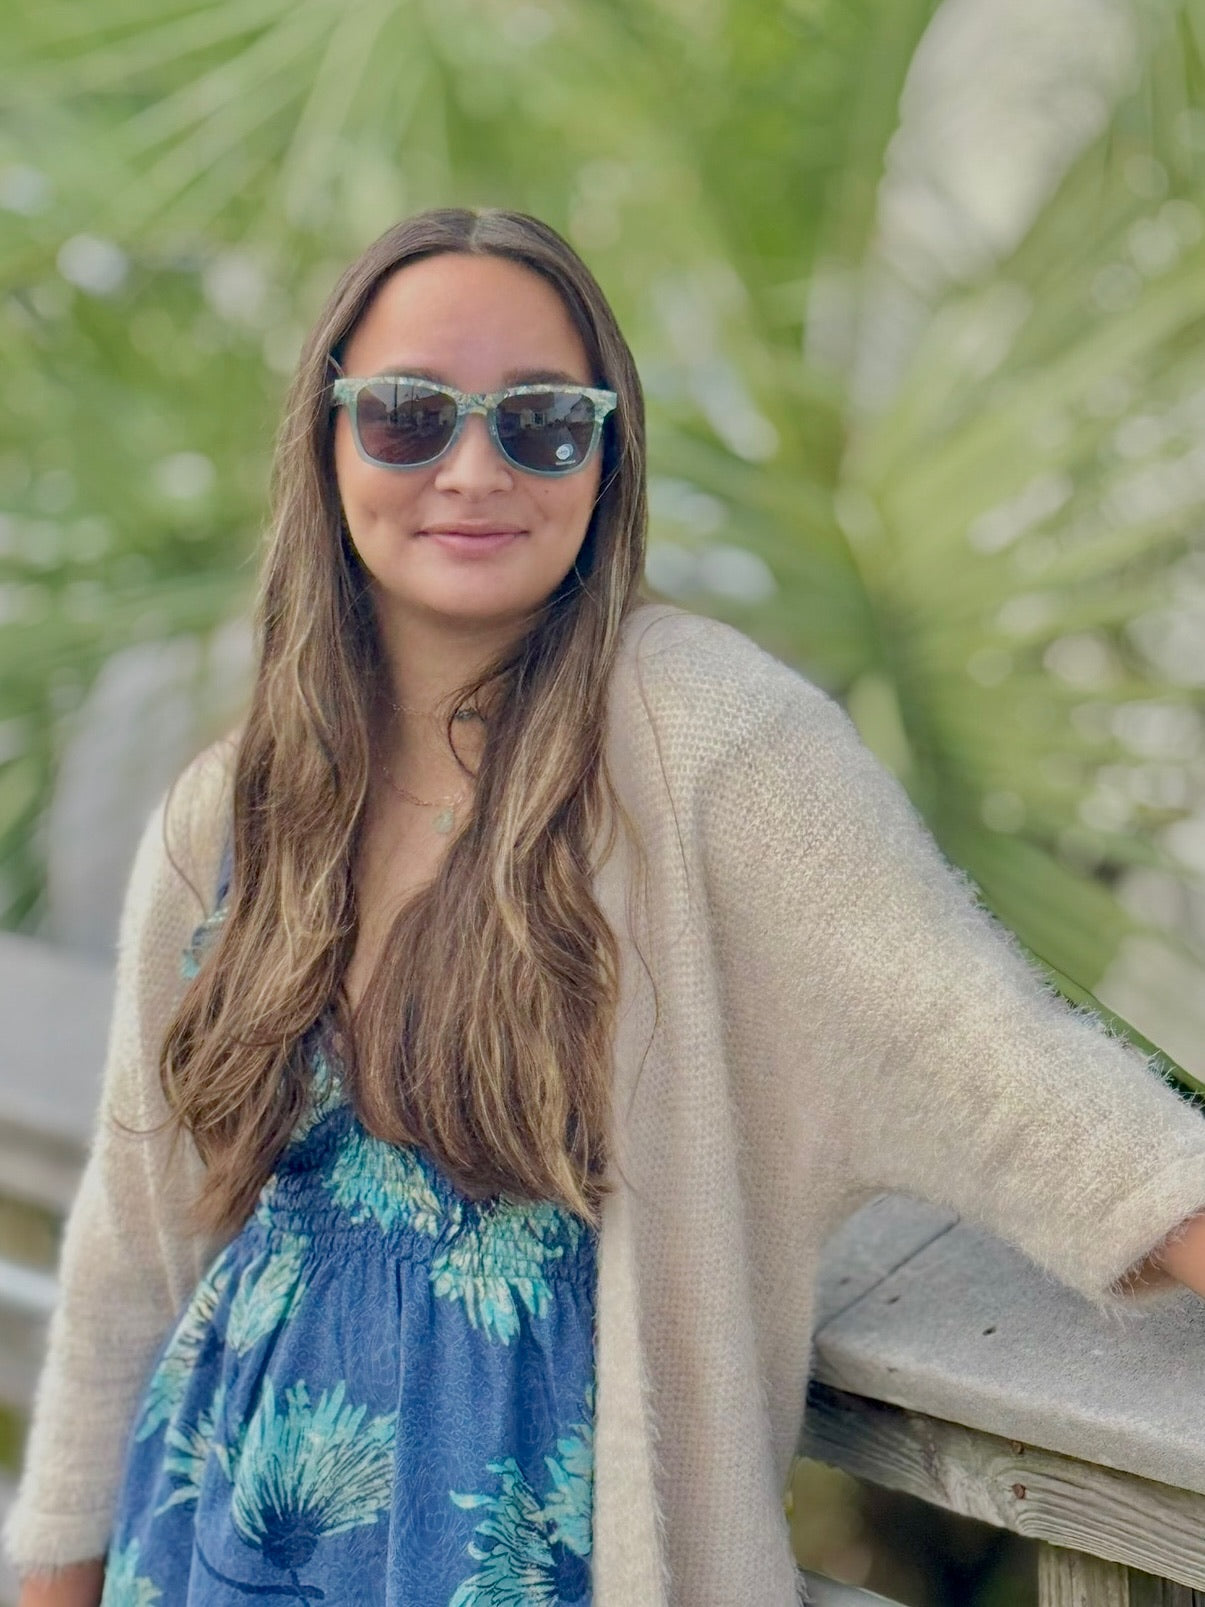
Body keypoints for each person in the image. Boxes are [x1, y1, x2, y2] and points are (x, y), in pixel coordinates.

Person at [7, 205, 1205, 1607]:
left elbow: (993, 1066)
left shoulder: (709, 743)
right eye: (405, 416)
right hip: (215, 1533)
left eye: (539, 423)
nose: (471, 468)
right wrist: (52, 1577)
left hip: (542, 1551)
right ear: (327, 442)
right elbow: (129, 1247)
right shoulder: (237, 807)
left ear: (605, 454)